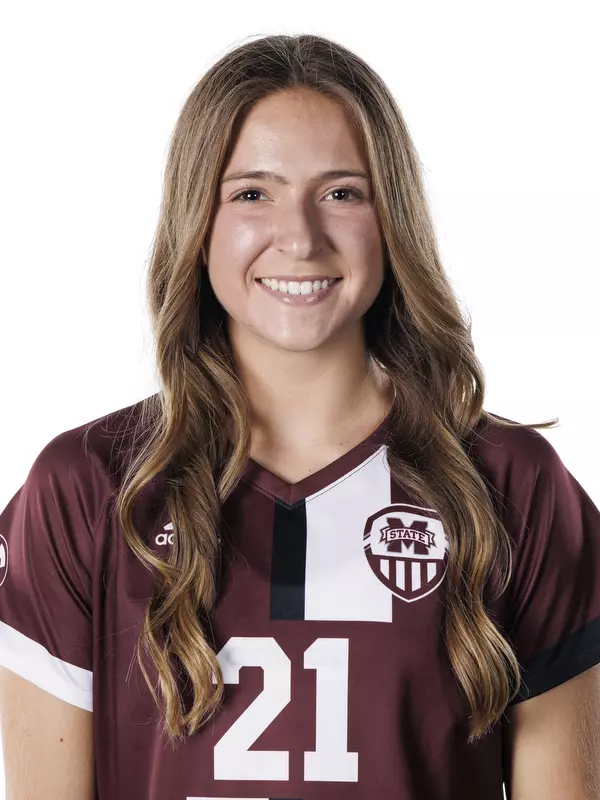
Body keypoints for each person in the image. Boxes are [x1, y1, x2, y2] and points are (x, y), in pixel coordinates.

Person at [1, 32, 599, 800]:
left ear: (394, 219)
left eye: (342, 193)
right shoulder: (88, 488)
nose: (300, 238)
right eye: (253, 193)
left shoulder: (512, 484)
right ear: (198, 222)